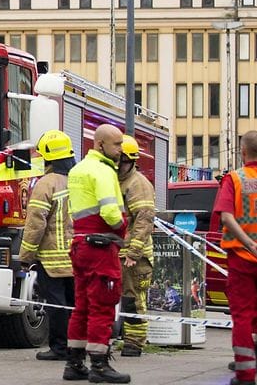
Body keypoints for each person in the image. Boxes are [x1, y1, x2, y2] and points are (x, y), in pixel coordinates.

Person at [64, 123, 129, 383]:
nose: (121, 150)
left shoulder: (78, 169)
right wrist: (122, 227)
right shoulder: (103, 171)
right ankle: (100, 366)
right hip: (101, 247)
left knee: (81, 306)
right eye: (117, 144)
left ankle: (74, 363)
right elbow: (110, 212)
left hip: (80, 245)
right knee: (102, 305)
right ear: (100, 144)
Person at [19, 130, 77, 362]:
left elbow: (35, 223)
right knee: (74, 304)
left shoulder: (46, 184)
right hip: (78, 256)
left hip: (52, 260)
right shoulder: (78, 181)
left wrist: (26, 256)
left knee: (56, 305)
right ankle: (76, 347)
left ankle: (59, 348)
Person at [214, 130, 257, 385]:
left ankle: (246, 375)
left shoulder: (234, 179)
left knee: (242, 316)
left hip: (243, 258)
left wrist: (250, 244)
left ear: (243, 152)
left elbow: (226, 216)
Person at [117, 135, 156, 358]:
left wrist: (133, 252)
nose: (119, 165)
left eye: (123, 161)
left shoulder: (138, 184)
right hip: (118, 251)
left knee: (133, 300)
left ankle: (134, 343)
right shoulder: (116, 180)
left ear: (131, 160)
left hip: (135, 256)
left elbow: (144, 220)